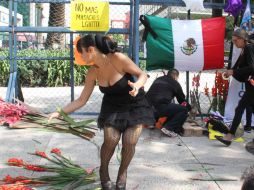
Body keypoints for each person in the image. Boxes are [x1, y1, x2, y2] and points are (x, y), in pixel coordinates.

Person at [48, 34, 155, 190]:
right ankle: (104, 172)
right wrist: (59, 113)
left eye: (81, 52)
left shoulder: (118, 58)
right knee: (111, 139)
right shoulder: (93, 72)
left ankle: (122, 174)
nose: (80, 56)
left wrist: (137, 85)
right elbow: (81, 100)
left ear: (90, 50)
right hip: (112, 107)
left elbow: (142, 74)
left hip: (134, 105)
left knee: (130, 141)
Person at [215, 29, 254, 146]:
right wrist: (230, 71)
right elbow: (237, 66)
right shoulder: (244, 49)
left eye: (236, 41)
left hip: (252, 84)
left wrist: (233, 72)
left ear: (243, 39)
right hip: (250, 84)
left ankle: (230, 136)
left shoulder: (248, 48)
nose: (235, 43)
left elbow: (252, 67)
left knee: (239, 108)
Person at [146, 69, 191, 137]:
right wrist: (190, 108)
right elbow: (181, 100)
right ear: (175, 76)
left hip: (146, 108)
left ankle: (151, 122)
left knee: (161, 104)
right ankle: (169, 128)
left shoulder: (158, 79)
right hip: (159, 108)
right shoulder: (175, 83)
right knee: (183, 110)